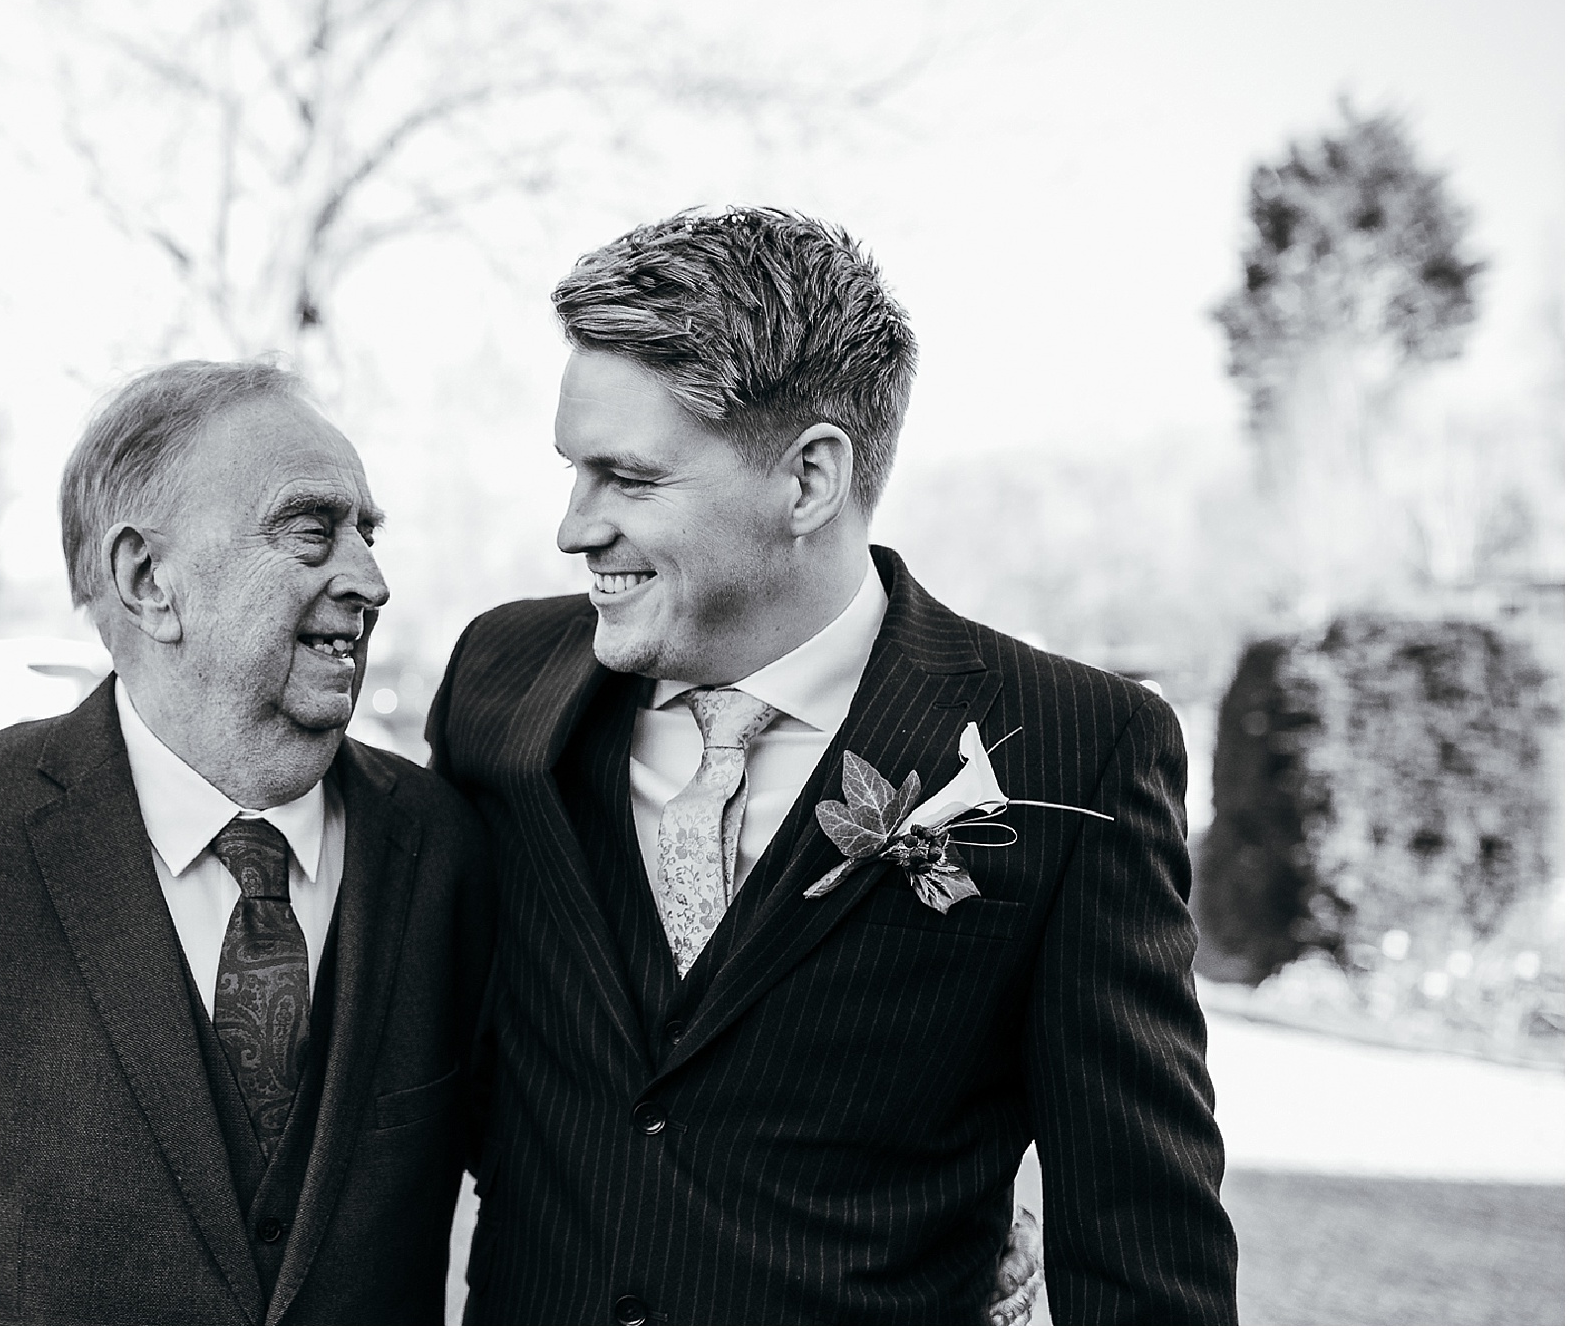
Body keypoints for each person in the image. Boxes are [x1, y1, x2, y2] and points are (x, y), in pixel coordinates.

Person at [427, 208, 1238, 1324]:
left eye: (630, 479)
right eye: (575, 470)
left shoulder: (1075, 748)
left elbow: (1146, 1243)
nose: (573, 528)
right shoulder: (498, 683)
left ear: (809, 479)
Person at [0, 360, 494, 1323]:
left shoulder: (442, 848)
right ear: (147, 580)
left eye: (367, 534)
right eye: (312, 532)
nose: (372, 581)